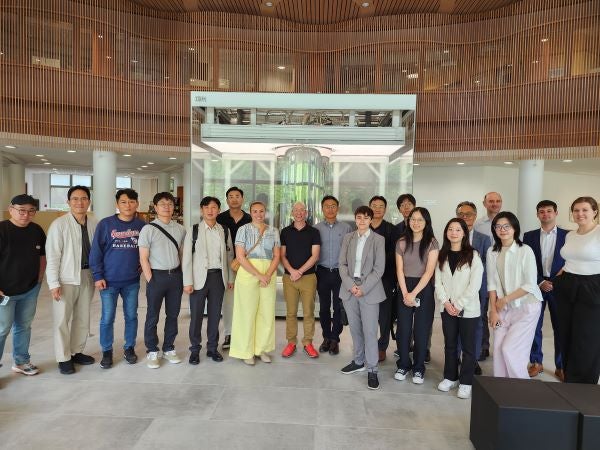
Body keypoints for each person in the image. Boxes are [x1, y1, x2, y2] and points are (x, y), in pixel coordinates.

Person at [90, 188, 146, 369]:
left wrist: (144, 265)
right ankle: (107, 351)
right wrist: (97, 276)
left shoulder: (142, 225)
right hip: (109, 281)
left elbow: (148, 249)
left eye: (131, 201)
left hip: (131, 281)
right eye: (123, 202)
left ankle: (129, 347)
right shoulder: (106, 224)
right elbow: (95, 252)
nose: (128, 205)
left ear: (137, 203)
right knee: (107, 317)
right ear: (117, 204)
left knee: (131, 316)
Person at [45, 186, 97, 375]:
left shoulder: (94, 223)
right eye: (75, 199)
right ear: (68, 202)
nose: (79, 202)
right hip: (65, 278)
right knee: (62, 319)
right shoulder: (59, 225)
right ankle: (63, 357)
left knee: (83, 317)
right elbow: (52, 257)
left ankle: (76, 351)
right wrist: (53, 283)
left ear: (89, 202)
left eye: (84, 198)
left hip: (87, 276)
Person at [487, 211, 542, 379]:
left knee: (510, 350)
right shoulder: (492, 251)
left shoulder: (525, 250)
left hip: (526, 306)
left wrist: (505, 300)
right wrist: (493, 311)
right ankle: (502, 389)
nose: (502, 230)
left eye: (507, 226)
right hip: (502, 308)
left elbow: (530, 284)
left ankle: (520, 391)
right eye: (498, 226)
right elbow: (491, 283)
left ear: (515, 229)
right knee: (497, 349)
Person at [435, 218, 483, 400]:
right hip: (447, 308)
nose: (453, 232)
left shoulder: (473, 255)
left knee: (469, 348)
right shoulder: (442, 255)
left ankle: (466, 382)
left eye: (457, 229)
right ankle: (450, 377)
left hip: (468, 308)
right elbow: (437, 282)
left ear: (464, 233)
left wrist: (459, 304)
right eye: (450, 229)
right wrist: (446, 303)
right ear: (446, 232)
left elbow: (475, 285)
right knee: (450, 344)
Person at [339, 206, 386, 390]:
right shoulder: (348, 238)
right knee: (356, 329)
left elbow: (379, 269)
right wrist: (351, 285)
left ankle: (372, 369)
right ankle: (358, 361)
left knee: (370, 331)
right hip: (349, 290)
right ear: (355, 219)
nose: (362, 221)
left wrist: (363, 288)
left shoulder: (378, 240)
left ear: (371, 220)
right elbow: (341, 264)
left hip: (369, 291)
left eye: (366, 218)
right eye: (359, 217)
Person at [182, 196, 234, 365]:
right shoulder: (194, 230)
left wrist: (230, 278)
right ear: (202, 210)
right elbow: (187, 258)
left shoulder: (224, 230)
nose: (210, 210)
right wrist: (187, 281)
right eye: (207, 207)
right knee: (196, 315)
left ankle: (212, 348)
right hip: (198, 279)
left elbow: (230, 257)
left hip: (218, 277)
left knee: (214, 315)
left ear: (218, 210)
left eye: (214, 207)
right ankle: (195, 350)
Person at [554, 196, 600, 384]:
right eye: (576, 210)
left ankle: (584, 384)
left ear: (595, 212)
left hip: (592, 287)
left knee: (586, 337)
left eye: (585, 210)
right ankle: (569, 377)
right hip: (567, 285)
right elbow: (569, 259)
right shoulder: (570, 235)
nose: (580, 214)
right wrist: (559, 276)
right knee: (566, 333)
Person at [229, 201, 281, 365]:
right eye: (255, 211)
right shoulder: (243, 230)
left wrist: (267, 274)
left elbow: (277, 256)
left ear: (265, 212)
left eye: (261, 211)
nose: (258, 214)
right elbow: (240, 256)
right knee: (246, 312)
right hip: (248, 271)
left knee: (266, 312)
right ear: (250, 212)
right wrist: (259, 275)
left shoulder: (273, 231)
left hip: (268, 272)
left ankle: (262, 349)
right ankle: (245, 351)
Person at [138, 192, 186, 369]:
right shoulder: (148, 229)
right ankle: (152, 350)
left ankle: (168, 348)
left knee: (173, 315)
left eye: (170, 204)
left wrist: (182, 275)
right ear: (155, 207)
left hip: (175, 277)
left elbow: (181, 254)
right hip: (156, 276)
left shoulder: (181, 229)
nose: (167, 207)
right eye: (162, 204)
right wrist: (150, 279)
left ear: (174, 207)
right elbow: (143, 257)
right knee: (153, 315)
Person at [0, 195, 46, 376]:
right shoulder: (2, 230)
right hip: (4, 292)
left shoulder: (36, 230)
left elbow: (42, 256)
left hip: (30, 289)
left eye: (31, 211)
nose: (26, 215)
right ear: (11, 209)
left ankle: (21, 361)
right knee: (2, 329)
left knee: (24, 326)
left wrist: (40, 279)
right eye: (21, 210)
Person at [522, 200, 567, 381]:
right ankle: (536, 362)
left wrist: (555, 281)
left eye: (549, 211)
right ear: (537, 214)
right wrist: (540, 281)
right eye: (542, 211)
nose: (546, 214)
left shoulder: (568, 235)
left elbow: (570, 261)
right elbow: (526, 263)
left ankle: (561, 366)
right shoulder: (529, 236)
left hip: (560, 287)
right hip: (536, 286)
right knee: (534, 325)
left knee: (561, 328)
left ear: (556, 213)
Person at [394, 207, 439, 384]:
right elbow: (399, 269)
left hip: (424, 288)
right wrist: (405, 293)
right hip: (404, 287)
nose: (416, 222)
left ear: (426, 222)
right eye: (413, 219)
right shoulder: (402, 242)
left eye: (420, 219)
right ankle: (403, 364)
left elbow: (429, 273)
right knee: (403, 329)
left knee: (421, 330)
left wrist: (414, 293)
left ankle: (419, 368)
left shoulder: (432, 243)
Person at [280, 201, 321, 358]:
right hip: (289, 277)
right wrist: (292, 271)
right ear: (292, 212)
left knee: (308, 312)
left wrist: (300, 272)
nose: (299, 212)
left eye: (302, 210)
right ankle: (291, 342)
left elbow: (315, 255)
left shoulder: (314, 232)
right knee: (290, 312)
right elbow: (282, 255)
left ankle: (308, 343)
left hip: (309, 277)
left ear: (306, 213)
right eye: (296, 210)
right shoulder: (285, 232)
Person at [456, 201, 492, 374]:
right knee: (456, 324)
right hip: (456, 290)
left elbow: (487, 266)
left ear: (475, 216)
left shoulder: (484, 240)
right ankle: (455, 356)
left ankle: (472, 359)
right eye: (461, 214)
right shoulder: (452, 236)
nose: (465, 217)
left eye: (468, 214)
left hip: (477, 290)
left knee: (476, 325)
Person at [314, 195, 352, 355]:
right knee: (323, 308)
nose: (330, 209)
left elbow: (350, 252)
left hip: (339, 273)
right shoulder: (316, 228)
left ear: (338, 208)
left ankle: (335, 339)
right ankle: (326, 338)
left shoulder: (346, 228)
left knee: (338, 308)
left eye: (333, 206)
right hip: (322, 272)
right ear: (322, 209)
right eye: (327, 206)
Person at [216, 187, 251, 351]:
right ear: (227, 200)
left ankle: (243, 333)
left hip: (247, 265)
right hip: (227, 265)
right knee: (228, 301)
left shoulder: (250, 218)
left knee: (246, 300)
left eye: (237, 196)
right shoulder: (220, 218)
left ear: (242, 199)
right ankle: (229, 333)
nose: (234, 199)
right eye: (231, 196)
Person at [368, 196, 399, 362]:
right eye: (374, 206)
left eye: (381, 206)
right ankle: (369, 345)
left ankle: (382, 347)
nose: (377, 209)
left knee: (385, 316)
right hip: (365, 280)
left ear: (385, 210)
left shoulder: (392, 230)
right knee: (368, 314)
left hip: (385, 279)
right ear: (369, 207)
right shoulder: (363, 228)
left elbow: (394, 255)